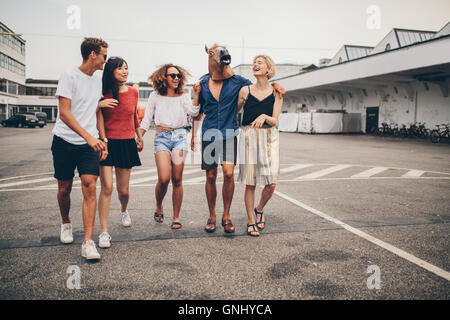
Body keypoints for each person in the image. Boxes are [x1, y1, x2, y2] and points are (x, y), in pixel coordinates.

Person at [52, 37, 111, 260]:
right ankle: (66, 222)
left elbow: (95, 111)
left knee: (90, 186)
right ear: (92, 54)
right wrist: (88, 137)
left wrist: (102, 139)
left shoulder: (97, 81)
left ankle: (88, 242)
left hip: (89, 144)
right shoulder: (69, 75)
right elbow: (64, 113)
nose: (105, 60)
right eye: (104, 55)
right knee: (64, 188)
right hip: (64, 141)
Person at [191, 44, 252, 234]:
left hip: (230, 133)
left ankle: (226, 215)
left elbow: (257, 88)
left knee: (227, 173)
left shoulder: (237, 81)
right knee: (210, 175)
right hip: (209, 134)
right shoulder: (201, 82)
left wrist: (274, 86)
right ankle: (212, 215)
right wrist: (193, 135)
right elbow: (196, 113)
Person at [138, 64, 201, 229]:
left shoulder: (184, 96)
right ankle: (159, 205)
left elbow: (194, 113)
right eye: (172, 75)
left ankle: (176, 216)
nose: (176, 78)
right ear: (163, 77)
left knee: (177, 179)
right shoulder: (155, 96)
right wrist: (139, 137)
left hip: (180, 136)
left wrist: (197, 94)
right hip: (161, 137)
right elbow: (146, 119)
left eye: (178, 76)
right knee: (164, 178)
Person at [96, 56, 143, 249]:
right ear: (111, 72)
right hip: (107, 143)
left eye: (126, 68)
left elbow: (134, 117)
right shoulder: (102, 92)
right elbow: (97, 117)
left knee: (123, 190)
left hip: (127, 143)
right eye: (120, 68)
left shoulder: (133, 92)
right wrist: (102, 140)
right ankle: (104, 232)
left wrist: (139, 136)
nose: (125, 71)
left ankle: (124, 210)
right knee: (107, 187)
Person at [237, 55, 283, 236]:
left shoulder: (277, 92)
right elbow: (234, 110)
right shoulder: (245, 91)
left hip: (269, 137)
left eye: (259, 63)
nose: (255, 65)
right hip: (249, 136)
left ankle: (260, 209)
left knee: (271, 183)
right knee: (251, 182)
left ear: (268, 69)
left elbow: (275, 120)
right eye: (253, 63)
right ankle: (250, 221)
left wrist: (265, 117)